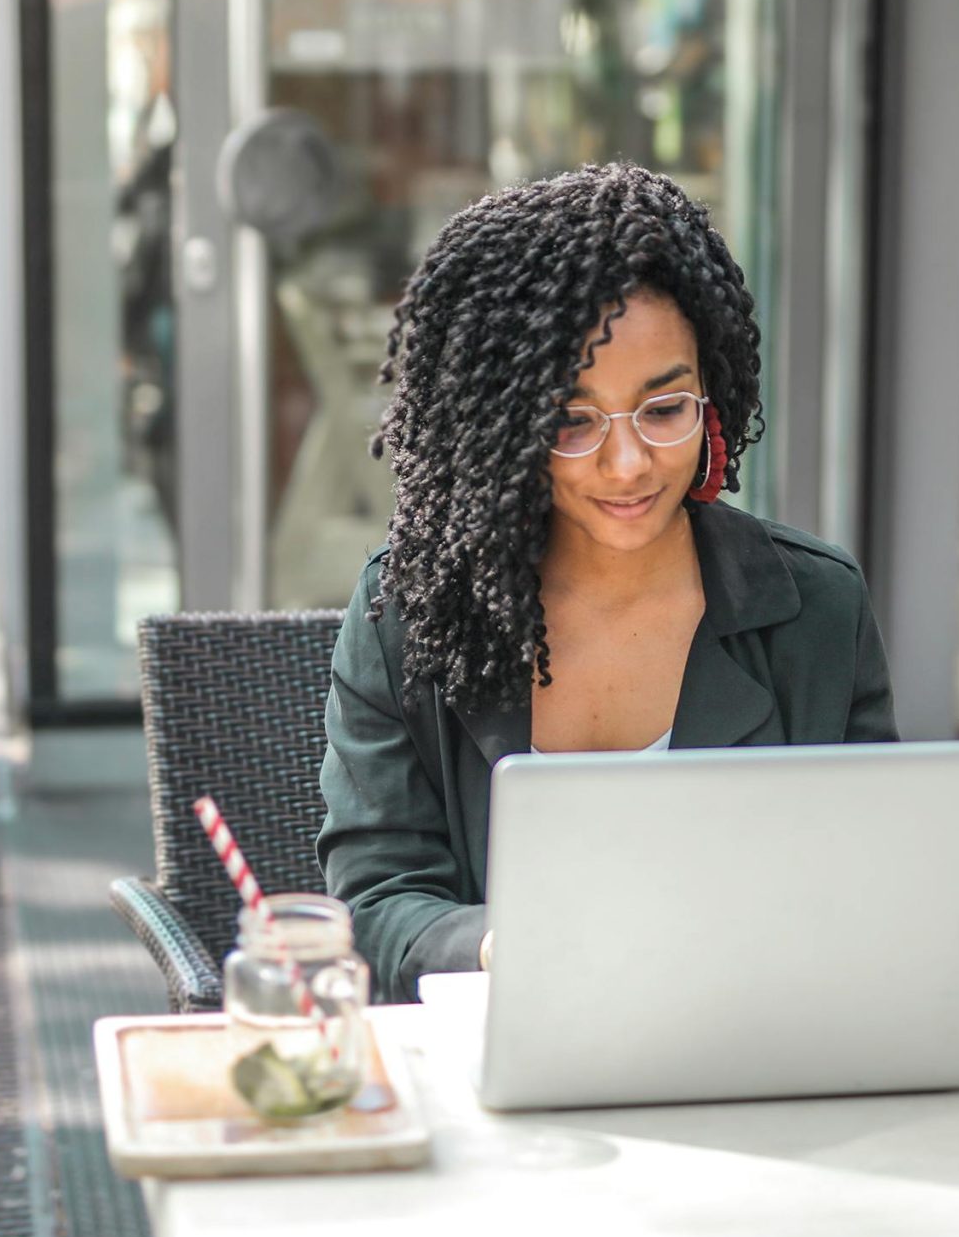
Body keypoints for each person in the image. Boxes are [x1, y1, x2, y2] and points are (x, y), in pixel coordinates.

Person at [315, 165, 899, 1001]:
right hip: (501, 1066)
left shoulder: (815, 609)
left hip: (756, 1049)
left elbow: (872, 888)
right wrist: (496, 944)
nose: (627, 465)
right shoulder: (408, 613)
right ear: (503, 427)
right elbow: (374, 904)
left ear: (714, 397)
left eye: (664, 411)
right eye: (572, 421)